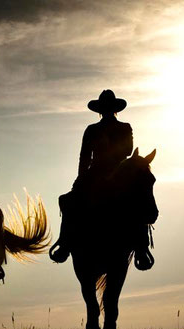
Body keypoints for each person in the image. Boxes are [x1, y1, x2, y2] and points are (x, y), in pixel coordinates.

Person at [49, 89, 133, 263]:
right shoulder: (92, 129)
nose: (107, 110)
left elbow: (128, 150)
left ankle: (141, 246)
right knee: (69, 201)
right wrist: (81, 178)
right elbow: (84, 156)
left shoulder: (124, 127)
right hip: (96, 173)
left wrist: (108, 149)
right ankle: (65, 243)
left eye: (109, 107)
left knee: (139, 199)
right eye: (105, 107)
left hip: (118, 172)